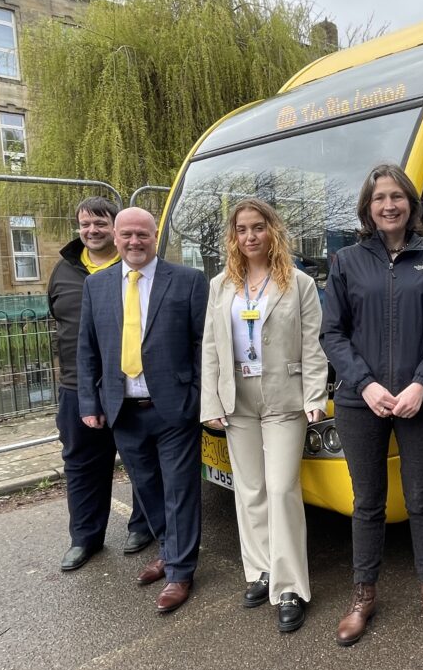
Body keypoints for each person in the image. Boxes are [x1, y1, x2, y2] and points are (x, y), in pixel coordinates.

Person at [321, 163, 423, 645]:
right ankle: (364, 594)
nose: (389, 205)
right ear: (368, 206)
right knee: (367, 503)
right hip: (362, 403)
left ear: (410, 204)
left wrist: (422, 384)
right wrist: (364, 385)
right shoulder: (346, 262)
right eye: (380, 197)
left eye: (397, 196)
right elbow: (332, 334)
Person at [200, 199, 328, 633]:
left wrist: (315, 395)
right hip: (237, 398)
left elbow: (313, 345)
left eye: (258, 227)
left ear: (273, 231)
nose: (250, 236)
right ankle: (261, 572)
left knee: (281, 488)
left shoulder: (299, 284)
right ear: (233, 237)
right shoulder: (221, 285)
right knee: (249, 488)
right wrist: (211, 403)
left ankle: (290, 585)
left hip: (284, 397)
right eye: (242, 229)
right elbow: (211, 349)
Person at [78, 207, 208, 614]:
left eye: (143, 235)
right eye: (127, 235)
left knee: (180, 489)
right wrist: (90, 402)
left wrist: (199, 398)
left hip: (174, 409)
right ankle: (169, 551)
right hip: (122, 409)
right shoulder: (96, 286)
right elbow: (87, 350)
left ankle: (180, 572)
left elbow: (205, 345)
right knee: (148, 489)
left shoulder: (187, 281)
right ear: (115, 238)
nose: (135, 242)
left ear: (155, 237)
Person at [48, 197, 153, 571]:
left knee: (141, 460)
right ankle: (85, 538)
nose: (92, 230)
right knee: (81, 465)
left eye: (100, 223)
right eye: (85, 224)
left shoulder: (134, 264)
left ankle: (143, 526)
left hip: (128, 386)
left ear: (117, 227)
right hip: (78, 387)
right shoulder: (63, 271)